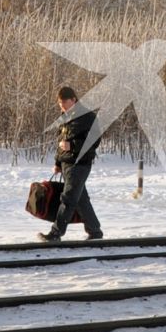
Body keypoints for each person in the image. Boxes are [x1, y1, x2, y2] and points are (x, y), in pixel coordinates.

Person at [40, 85, 103, 242]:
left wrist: (73, 146)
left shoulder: (88, 117)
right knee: (80, 199)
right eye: (59, 103)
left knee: (68, 199)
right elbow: (61, 142)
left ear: (73, 99)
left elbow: (95, 141)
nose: (61, 106)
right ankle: (95, 231)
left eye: (64, 102)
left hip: (80, 163)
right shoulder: (65, 118)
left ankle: (56, 233)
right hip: (67, 163)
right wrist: (57, 162)